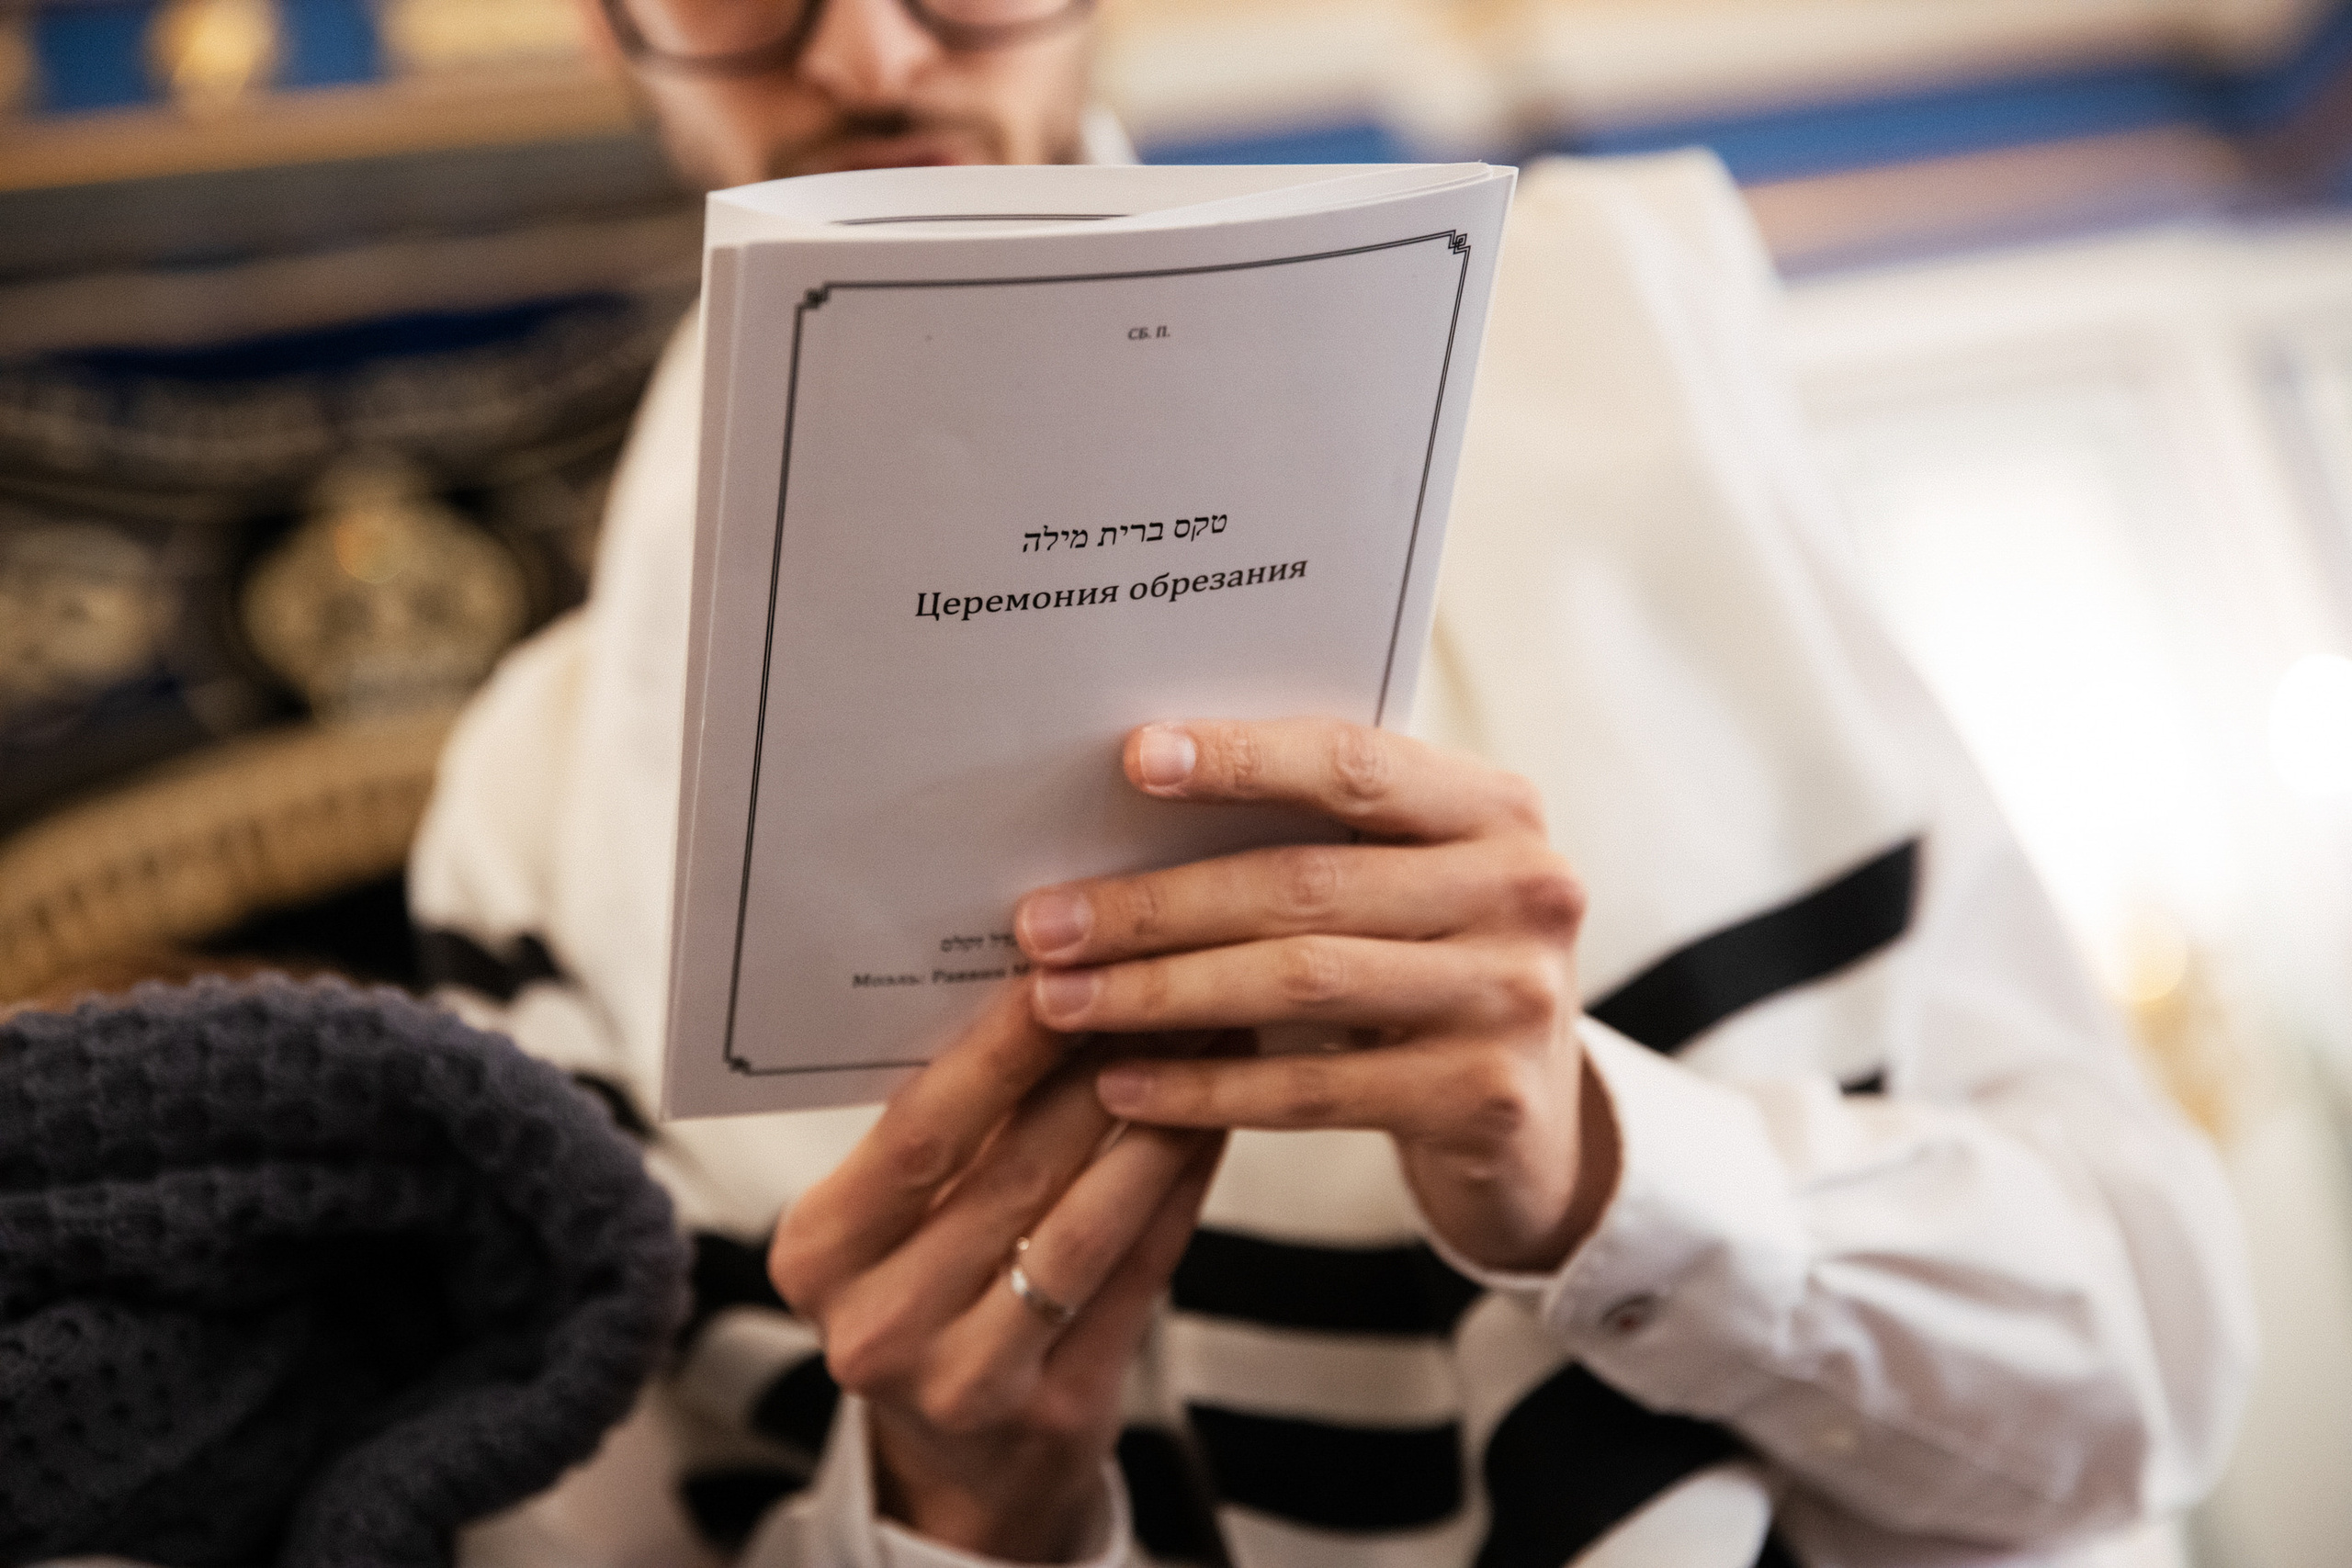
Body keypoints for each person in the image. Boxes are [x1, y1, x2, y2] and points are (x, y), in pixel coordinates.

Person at [408, 1, 2259, 1563]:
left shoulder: (1624, 396)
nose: (876, 55)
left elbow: (2159, 1363)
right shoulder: (528, 808)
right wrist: (962, 1507)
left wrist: (1603, 1165)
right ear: (608, 29)